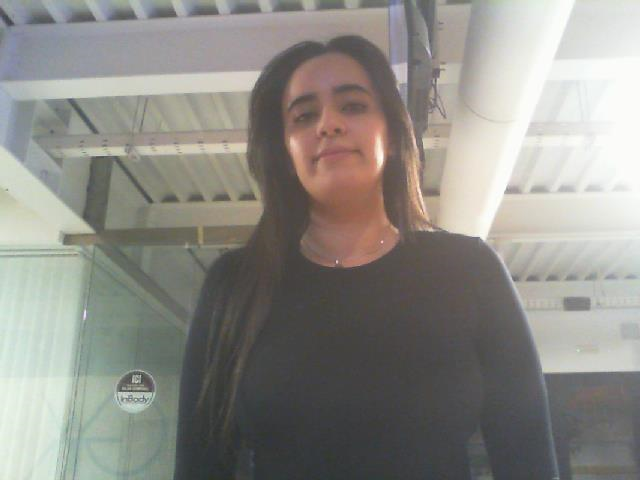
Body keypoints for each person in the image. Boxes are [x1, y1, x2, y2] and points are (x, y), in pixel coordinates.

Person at [174, 35, 559, 480]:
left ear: (392, 136)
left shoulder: (468, 270)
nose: (328, 124)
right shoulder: (234, 285)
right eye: (304, 116)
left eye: (353, 106)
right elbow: (199, 463)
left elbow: (527, 456)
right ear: (285, 152)